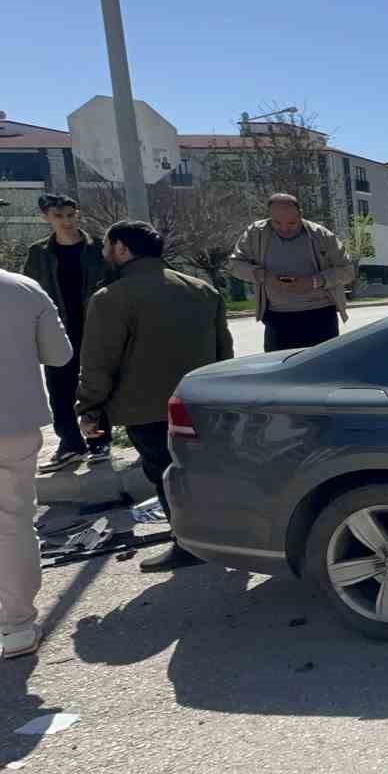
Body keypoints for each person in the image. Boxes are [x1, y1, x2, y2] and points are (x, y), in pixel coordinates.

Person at [77, 221, 234, 573]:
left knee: (165, 473)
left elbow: (99, 362)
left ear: (121, 249)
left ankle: (187, 543)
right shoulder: (202, 290)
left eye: (106, 247)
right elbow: (225, 351)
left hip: (145, 408)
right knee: (204, 470)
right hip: (202, 402)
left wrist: (89, 409)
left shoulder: (112, 298)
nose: (104, 254)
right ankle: (221, 537)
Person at [0, 270, 74, 659]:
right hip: (12, 424)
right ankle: (16, 626)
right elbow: (59, 355)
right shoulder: (22, 288)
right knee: (11, 524)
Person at [21, 194, 112, 472]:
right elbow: (29, 289)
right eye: (59, 216)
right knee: (60, 388)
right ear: (46, 218)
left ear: (78, 214)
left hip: (95, 327)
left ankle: (100, 441)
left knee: (95, 384)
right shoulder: (39, 253)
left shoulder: (97, 248)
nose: (67, 221)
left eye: (71, 215)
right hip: (56, 328)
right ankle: (70, 444)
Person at [227, 193, 354, 351]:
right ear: (269, 216)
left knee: (322, 371)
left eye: (292, 223)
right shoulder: (256, 233)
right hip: (277, 318)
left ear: (300, 214)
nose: (285, 228)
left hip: (320, 316)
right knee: (280, 371)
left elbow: (347, 271)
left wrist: (313, 282)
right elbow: (234, 264)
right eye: (277, 223)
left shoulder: (321, 235)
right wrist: (262, 276)